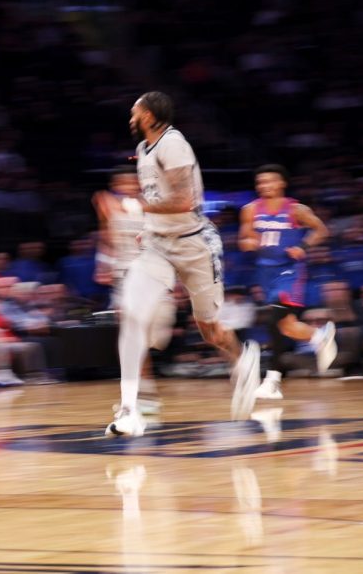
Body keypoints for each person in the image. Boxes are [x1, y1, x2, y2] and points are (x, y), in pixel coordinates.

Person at [108, 91, 257, 438]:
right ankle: (129, 410)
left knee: (209, 330)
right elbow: (158, 198)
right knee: (130, 314)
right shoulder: (144, 149)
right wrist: (149, 228)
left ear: (147, 116)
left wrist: (141, 208)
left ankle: (242, 356)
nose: (130, 119)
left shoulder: (174, 144)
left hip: (195, 245)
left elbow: (184, 200)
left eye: (134, 113)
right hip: (159, 247)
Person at [239, 164, 336, 400]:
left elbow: (321, 230)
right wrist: (248, 243)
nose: (264, 186)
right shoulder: (250, 210)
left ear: (282, 183)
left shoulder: (296, 209)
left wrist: (302, 247)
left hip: (290, 272)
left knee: (274, 321)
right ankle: (319, 336)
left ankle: (272, 381)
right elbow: (245, 239)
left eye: (270, 181)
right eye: (260, 182)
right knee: (286, 326)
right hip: (265, 273)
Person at [94, 166, 176, 415]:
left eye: (133, 181)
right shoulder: (106, 203)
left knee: (155, 337)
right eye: (122, 182)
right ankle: (143, 396)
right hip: (125, 277)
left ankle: (144, 394)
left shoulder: (156, 205)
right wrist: (103, 264)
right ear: (116, 185)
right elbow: (106, 238)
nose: (128, 185)